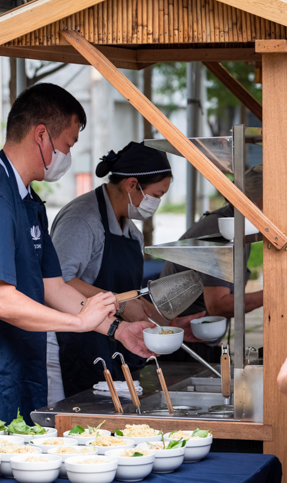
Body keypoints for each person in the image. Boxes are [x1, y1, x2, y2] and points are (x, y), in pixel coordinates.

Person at [0, 84, 154, 424]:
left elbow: (52, 286)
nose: (68, 156)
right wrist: (78, 322)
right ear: (41, 135)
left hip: (16, 356)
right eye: (68, 144)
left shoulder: (27, 200)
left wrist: (116, 329)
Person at [50, 142, 204, 400]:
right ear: (132, 185)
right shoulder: (81, 219)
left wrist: (173, 326)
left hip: (112, 342)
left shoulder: (132, 233)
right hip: (72, 344)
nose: (157, 202)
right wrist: (119, 304)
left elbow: (131, 297)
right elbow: (59, 280)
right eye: (156, 194)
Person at [160, 164, 264, 363]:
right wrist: (274, 296)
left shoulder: (241, 228)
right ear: (248, 202)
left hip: (202, 340)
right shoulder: (221, 231)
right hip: (181, 345)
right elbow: (218, 305)